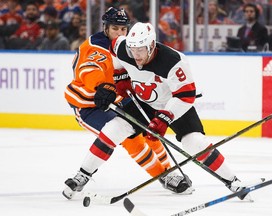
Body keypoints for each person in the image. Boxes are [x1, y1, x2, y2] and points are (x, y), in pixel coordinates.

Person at [89, 21, 256, 201]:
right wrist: (118, 78)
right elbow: (114, 53)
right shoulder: (124, 47)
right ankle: (82, 175)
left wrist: (164, 119)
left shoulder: (174, 61)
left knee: (194, 142)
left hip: (172, 103)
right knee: (114, 127)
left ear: (152, 46)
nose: (135, 54)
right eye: (133, 49)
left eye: (140, 49)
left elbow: (185, 96)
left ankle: (233, 181)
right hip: (143, 101)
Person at [62, 7, 193, 200]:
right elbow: (90, 70)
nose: (120, 33)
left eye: (124, 29)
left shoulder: (128, 44)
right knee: (131, 137)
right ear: (105, 28)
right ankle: (161, 175)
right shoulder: (96, 46)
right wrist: (102, 86)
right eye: (115, 28)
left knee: (150, 129)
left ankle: (169, 170)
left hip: (117, 98)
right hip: (91, 105)